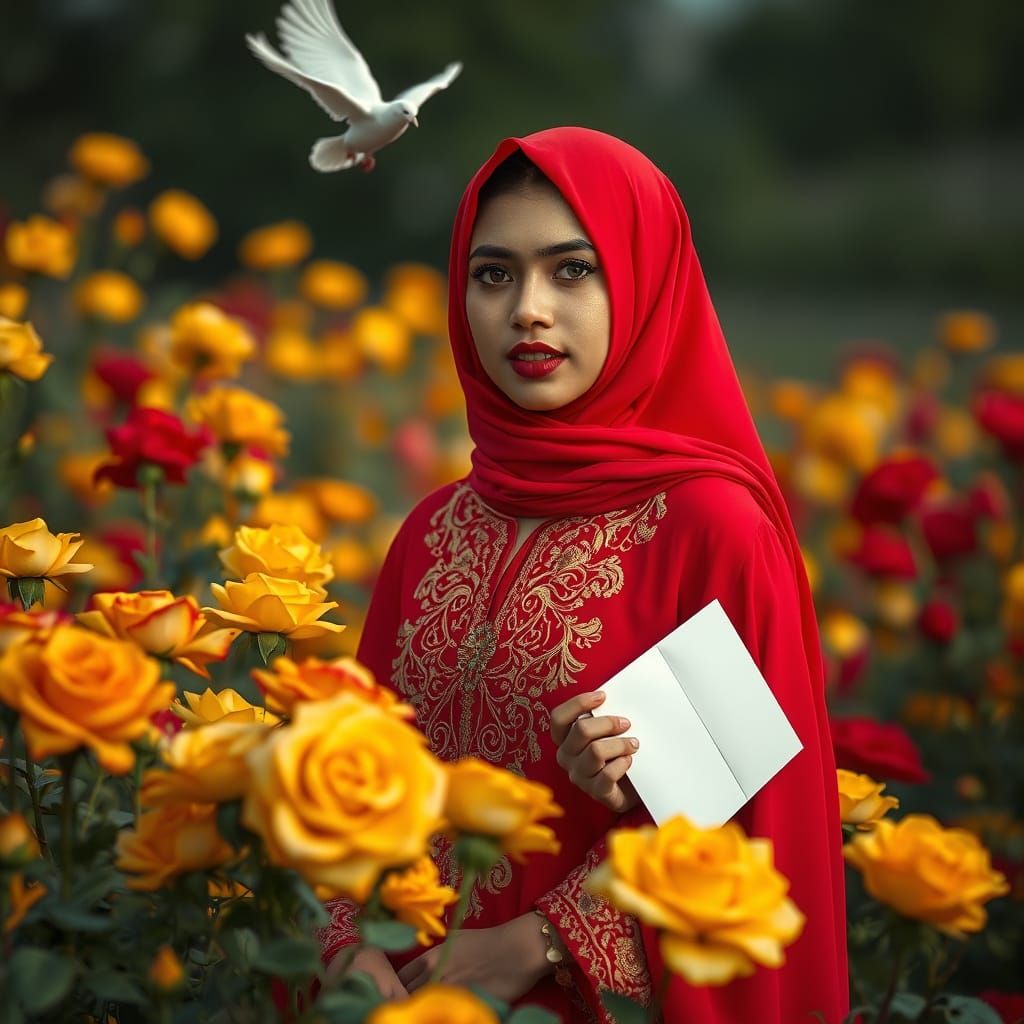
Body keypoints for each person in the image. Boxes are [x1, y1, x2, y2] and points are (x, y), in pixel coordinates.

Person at [317, 126, 849, 1023]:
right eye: (494, 274)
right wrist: (341, 947)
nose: (528, 308)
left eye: (573, 270)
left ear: (644, 281)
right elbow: (349, 786)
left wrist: (534, 942)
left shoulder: (709, 531)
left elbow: (756, 846)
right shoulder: (430, 532)